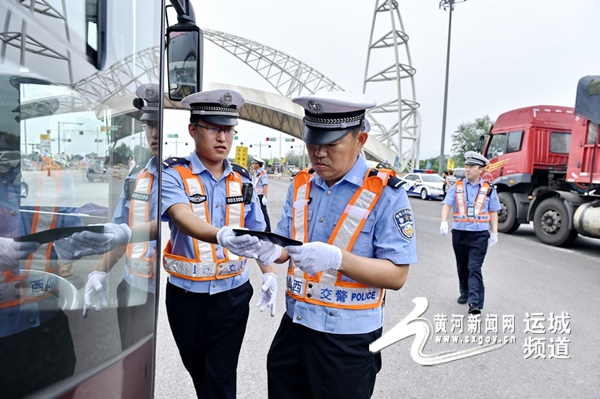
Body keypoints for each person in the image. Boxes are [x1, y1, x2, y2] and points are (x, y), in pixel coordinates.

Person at [250, 91, 417, 398]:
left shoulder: (386, 192)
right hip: (295, 327)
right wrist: (267, 251)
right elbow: (286, 246)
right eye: (312, 142)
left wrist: (338, 259)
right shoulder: (300, 184)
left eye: (331, 144)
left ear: (361, 139)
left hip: (347, 341)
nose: (318, 153)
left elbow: (397, 275)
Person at [160, 89, 278, 398]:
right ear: (193, 130)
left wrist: (269, 272)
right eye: (213, 128)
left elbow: (257, 236)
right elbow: (182, 216)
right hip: (186, 297)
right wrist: (221, 235)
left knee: (221, 375)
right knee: (200, 370)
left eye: (228, 129)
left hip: (232, 296)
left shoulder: (244, 179)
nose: (222, 137)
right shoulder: (174, 174)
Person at [72, 83, 161, 350]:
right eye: (148, 126)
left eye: (159, 125)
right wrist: (98, 273)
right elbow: (120, 231)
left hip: (174, 293)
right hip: (135, 289)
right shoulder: (136, 178)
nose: (154, 133)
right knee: (132, 364)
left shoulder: (190, 179)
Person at [439, 151, 501, 315]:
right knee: (462, 266)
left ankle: (475, 302)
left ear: (480, 170)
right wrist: (444, 221)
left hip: (479, 235)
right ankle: (464, 292)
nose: (467, 170)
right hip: (459, 233)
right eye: (466, 166)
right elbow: (447, 204)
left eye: (471, 167)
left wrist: (494, 232)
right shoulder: (457, 186)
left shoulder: (488, 189)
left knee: (474, 267)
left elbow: (493, 211)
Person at [251, 156, 271, 232]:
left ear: (258, 164)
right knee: (256, 212)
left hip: (260, 195)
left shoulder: (263, 173)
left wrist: (264, 197)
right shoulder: (255, 173)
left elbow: (265, 185)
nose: (253, 165)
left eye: (254, 163)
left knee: (263, 212)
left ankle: (268, 229)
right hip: (255, 195)